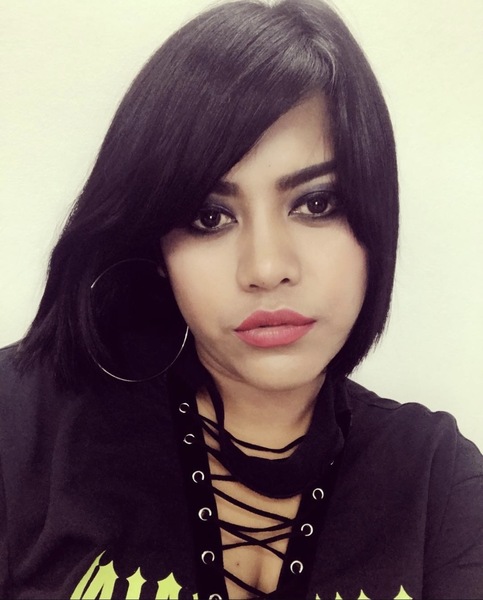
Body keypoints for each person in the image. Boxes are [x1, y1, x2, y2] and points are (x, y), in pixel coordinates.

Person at [0, 0, 482, 598]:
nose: (266, 269)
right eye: (209, 217)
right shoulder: (22, 422)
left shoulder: (437, 480)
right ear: (155, 245)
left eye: (316, 204)